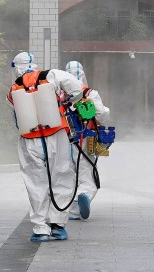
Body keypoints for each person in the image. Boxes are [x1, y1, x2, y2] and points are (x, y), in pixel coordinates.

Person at [8, 51, 88, 242]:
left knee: (35, 182)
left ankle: (40, 228)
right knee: (61, 175)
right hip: (55, 134)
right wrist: (70, 101)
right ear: (34, 63)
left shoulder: (13, 89)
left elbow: (16, 116)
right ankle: (58, 225)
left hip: (29, 140)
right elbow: (78, 89)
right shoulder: (51, 75)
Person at [63, 60, 111, 221]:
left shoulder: (59, 95)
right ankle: (83, 196)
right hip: (86, 138)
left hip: (62, 140)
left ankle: (70, 209)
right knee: (88, 175)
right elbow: (102, 114)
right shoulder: (89, 93)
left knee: (68, 175)